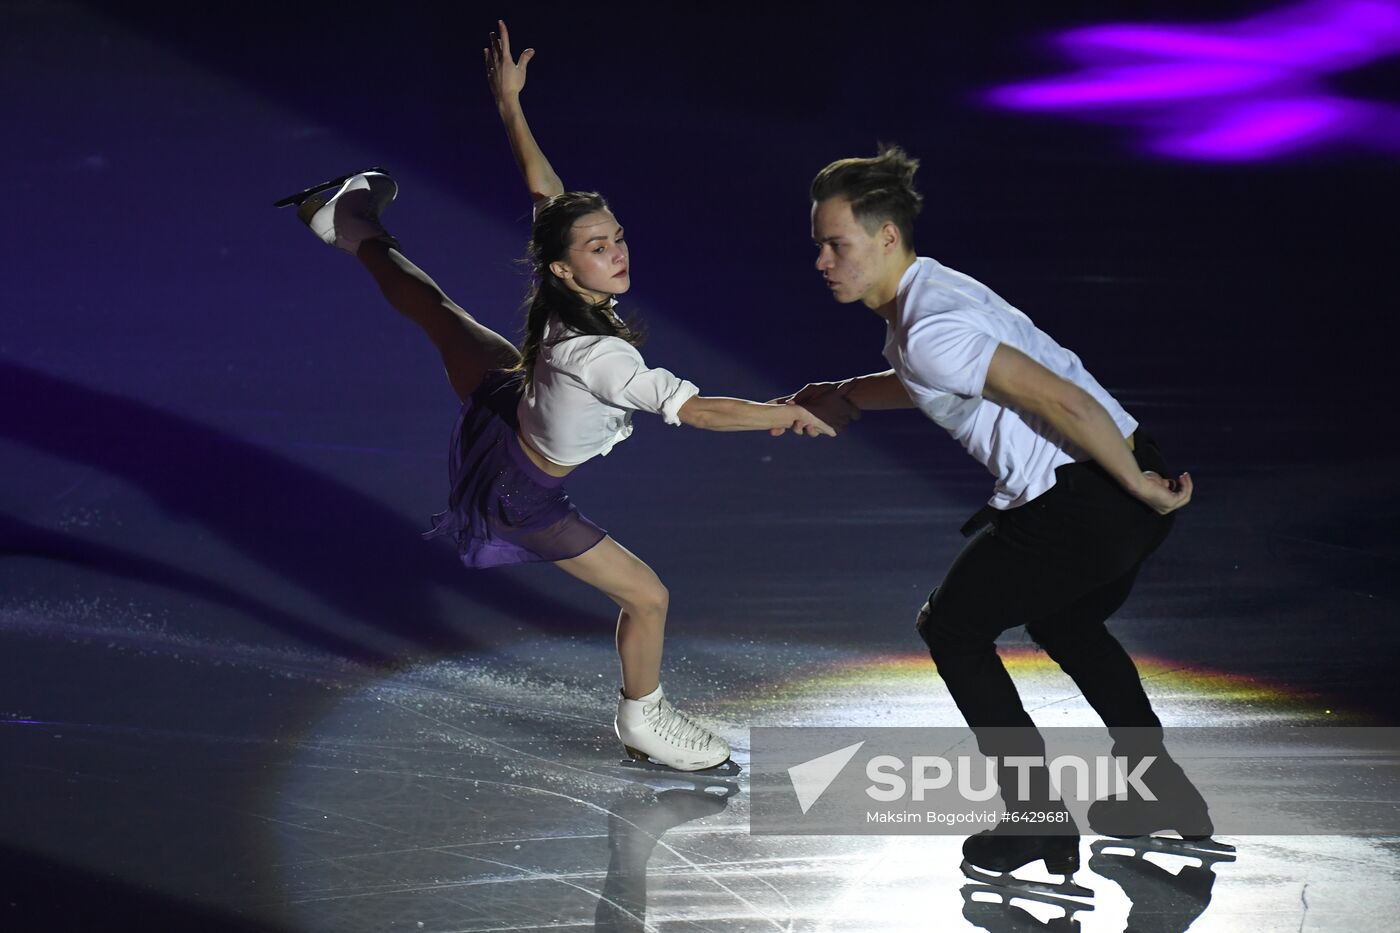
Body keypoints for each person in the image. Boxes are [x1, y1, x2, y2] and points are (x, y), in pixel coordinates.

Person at [282, 20, 834, 772]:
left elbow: (545, 191)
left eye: (617, 237)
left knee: (440, 313)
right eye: (598, 247)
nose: (616, 252)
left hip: (511, 405)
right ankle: (644, 720)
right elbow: (696, 410)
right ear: (568, 270)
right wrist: (785, 411)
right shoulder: (601, 355)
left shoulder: (557, 280)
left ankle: (346, 222)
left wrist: (511, 105)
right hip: (524, 489)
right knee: (648, 598)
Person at [780, 145, 1213, 881]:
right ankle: (1157, 787)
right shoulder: (930, 294)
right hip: (1120, 471)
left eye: (836, 244)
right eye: (819, 244)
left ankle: (1034, 816)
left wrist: (1137, 486)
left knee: (952, 627)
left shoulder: (931, 327)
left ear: (887, 237)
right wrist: (847, 391)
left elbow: (1061, 400)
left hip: (1094, 495)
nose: (822, 260)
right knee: (1066, 620)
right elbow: (934, 379)